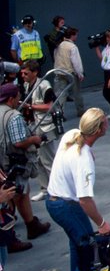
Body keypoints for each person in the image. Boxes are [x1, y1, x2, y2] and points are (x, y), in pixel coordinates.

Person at [46, 108, 110, 271]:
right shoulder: (83, 160)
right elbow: (85, 200)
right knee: (87, 253)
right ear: (99, 130)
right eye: (105, 121)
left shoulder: (72, 134)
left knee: (78, 245)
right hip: (67, 206)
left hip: (55, 200)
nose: (107, 122)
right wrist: (102, 223)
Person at [0, 83, 51, 244]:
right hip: (13, 161)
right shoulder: (13, 115)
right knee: (14, 195)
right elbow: (19, 142)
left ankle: (31, 224)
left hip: (3, 161)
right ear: (11, 98)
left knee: (21, 193)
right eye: (17, 96)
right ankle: (12, 237)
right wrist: (35, 139)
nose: (20, 99)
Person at [20, 61, 57, 202]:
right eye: (22, 73)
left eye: (26, 73)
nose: (23, 76)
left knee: (48, 160)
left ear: (35, 72)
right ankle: (45, 189)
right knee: (38, 159)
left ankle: (57, 189)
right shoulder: (26, 85)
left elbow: (50, 106)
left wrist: (31, 106)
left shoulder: (44, 85)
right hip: (33, 125)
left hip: (45, 126)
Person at [53, 27, 85, 118]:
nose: (77, 36)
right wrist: (80, 73)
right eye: (76, 35)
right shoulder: (73, 47)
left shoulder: (59, 45)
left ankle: (60, 113)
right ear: (72, 36)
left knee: (60, 94)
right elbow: (76, 62)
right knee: (77, 93)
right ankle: (80, 111)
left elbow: (55, 56)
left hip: (59, 71)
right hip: (71, 73)